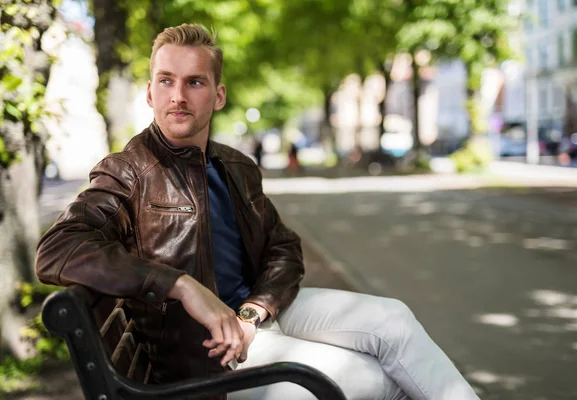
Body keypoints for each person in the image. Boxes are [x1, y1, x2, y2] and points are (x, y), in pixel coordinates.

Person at [35, 24, 479, 400]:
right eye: (166, 80)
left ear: (219, 94)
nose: (179, 96)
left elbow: (283, 248)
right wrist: (182, 286)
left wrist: (253, 312)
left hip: (255, 317)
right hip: (206, 354)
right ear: (149, 92)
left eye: (195, 82)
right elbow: (57, 249)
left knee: (394, 321)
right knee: (375, 379)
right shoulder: (128, 171)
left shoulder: (235, 166)